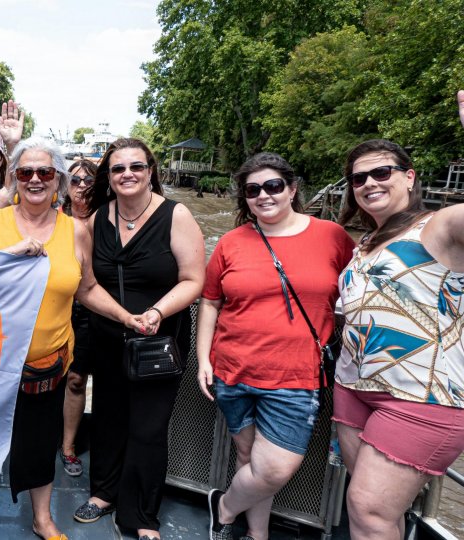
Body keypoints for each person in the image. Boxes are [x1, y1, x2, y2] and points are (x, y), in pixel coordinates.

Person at [0, 137, 150, 540]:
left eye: (45, 172)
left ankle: (42, 518)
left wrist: (127, 317)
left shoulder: (76, 231)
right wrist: (8, 256)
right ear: (13, 179)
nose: (35, 179)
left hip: (46, 360)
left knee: (39, 443)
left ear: (60, 181)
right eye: (25, 172)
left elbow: (86, 289)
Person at [196, 153, 353, 540]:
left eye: (273, 186)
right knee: (249, 459)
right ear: (245, 198)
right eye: (253, 190)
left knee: (274, 468)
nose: (264, 195)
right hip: (233, 370)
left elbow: (364, 287)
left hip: (296, 376)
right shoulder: (232, 242)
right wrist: (203, 359)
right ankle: (258, 533)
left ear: (292, 189)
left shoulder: (331, 236)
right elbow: (211, 301)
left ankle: (224, 507)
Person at [332, 120, 464, 538]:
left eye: (381, 172)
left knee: (369, 510)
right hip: (353, 388)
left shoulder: (440, 227)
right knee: (370, 510)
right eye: (358, 177)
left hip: (424, 397)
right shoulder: (367, 243)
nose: (369, 182)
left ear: (409, 177)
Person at [73, 138, 205, 540]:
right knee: (109, 419)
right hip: (109, 336)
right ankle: (104, 492)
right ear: (108, 178)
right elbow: (87, 285)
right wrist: (121, 317)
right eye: (117, 169)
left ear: (150, 172)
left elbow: (193, 280)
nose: (127, 174)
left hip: (158, 340)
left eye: (136, 166)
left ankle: (141, 515)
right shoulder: (98, 219)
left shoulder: (176, 215)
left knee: (148, 428)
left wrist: (155, 313)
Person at [60, 159, 96, 477]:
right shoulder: (52, 217)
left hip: (90, 312)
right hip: (56, 307)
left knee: (76, 379)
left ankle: (68, 446)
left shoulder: (105, 221)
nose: (82, 185)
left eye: (89, 181)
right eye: (75, 180)